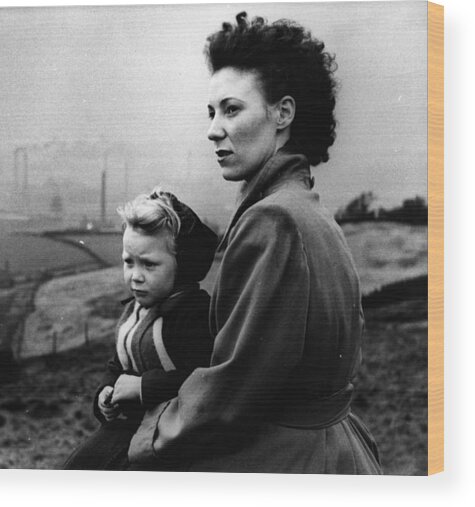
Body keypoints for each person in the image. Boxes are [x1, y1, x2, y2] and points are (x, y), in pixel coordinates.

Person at [127, 12, 383, 474]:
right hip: (336, 450)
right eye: (211, 113)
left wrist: (149, 427)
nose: (212, 129)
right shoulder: (309, 208)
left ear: (282, 113)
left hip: (286, 461)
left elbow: (233, 387)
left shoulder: (274, 220)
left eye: (231, 109)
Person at [63, 189, 218, 470]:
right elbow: (118, 363)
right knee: (78, 468)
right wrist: (105, 394)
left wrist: (144, 387)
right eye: (128, 262)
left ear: (182, 265)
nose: (135, 275)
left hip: (176, 434)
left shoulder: (192, 313)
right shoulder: (135, 311)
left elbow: (204, 381)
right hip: (133, 426)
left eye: (149, 264)